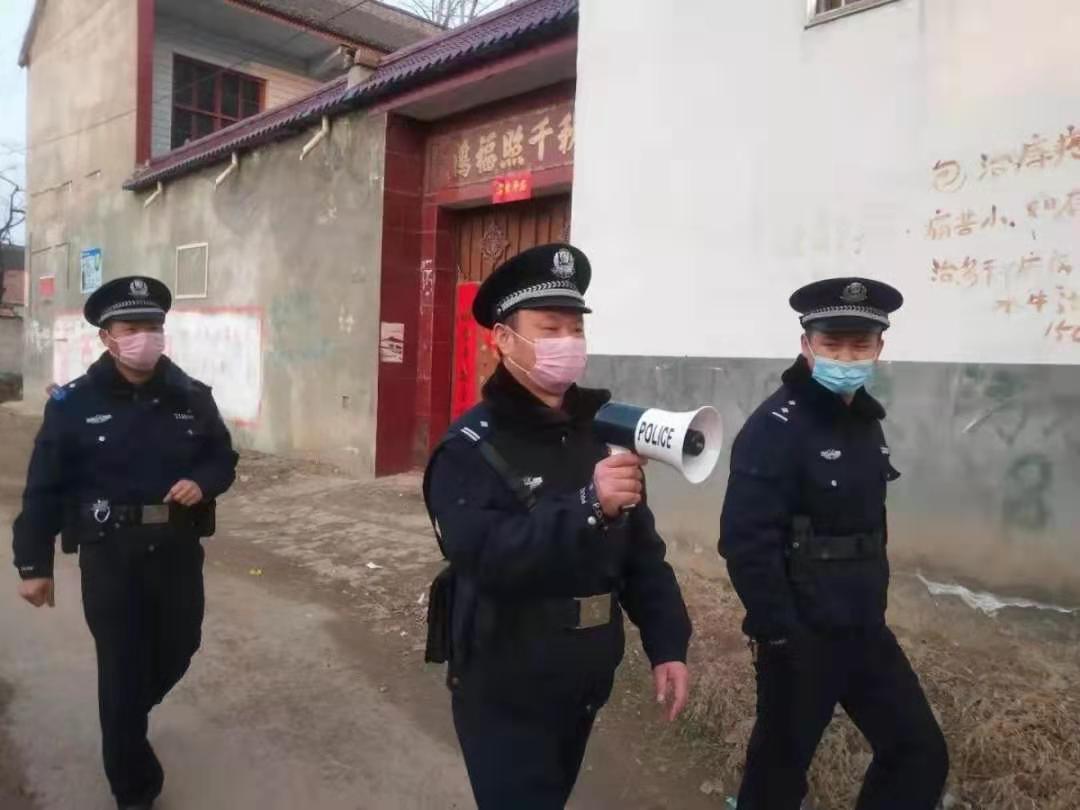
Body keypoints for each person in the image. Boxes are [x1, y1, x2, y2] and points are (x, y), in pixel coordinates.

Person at [423, 243, 693, 809]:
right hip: (504, 684)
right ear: (503, 339)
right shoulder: (468, 448)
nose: (567, 343)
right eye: (550, 329)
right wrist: (588, 505)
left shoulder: (599, 433)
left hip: (584, 678)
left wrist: (668, 644)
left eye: (576, 329)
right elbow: (486, 556)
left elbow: (641, 555)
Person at [718, 278, 949, 809]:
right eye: (832, 343)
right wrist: (780, 634)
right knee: (778, 775)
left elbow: (870, 529)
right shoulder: (774, 427)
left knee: (918, 751)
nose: (846, 356)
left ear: (879, 349)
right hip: (801, 636)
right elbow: (745, 542)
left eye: (860, 344)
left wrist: (872, 605)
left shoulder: (866, 424)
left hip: (864, 629)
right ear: (807, 345)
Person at [13, 276, 238, 810]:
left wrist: (203, 481)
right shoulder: (73, 404)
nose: (145, 337)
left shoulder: (192, 396)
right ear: (107, 337)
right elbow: (44, 487)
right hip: (110, 554)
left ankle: (126, 717)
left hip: (177, 548)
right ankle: (134, 788)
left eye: (153, 326)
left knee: (181, 646)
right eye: (131, 327)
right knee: (119, 668)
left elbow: (222, 458)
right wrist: (33, 565)